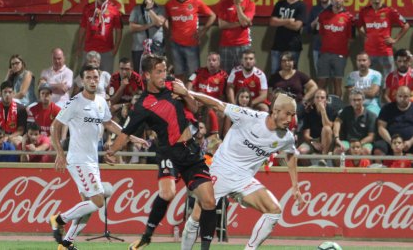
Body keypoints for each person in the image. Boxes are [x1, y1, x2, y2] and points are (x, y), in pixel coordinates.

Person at [106, 56, 217, 250]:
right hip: (169, 153)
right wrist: (111, 151)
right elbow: (125, 133)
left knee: (209, 201)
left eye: (164, 70)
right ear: (147, 75)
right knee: (167, 193)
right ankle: (147, 236)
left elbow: (195, 108)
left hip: (190, 150)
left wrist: (185, 93)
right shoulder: (142, 106)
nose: (163, 75)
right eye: (158, 71)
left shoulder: (173, 87)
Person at [181, 91, 304, 250]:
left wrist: (295, 186)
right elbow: (218, 104)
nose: (290, 120)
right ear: (275, 111)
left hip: (243, 179)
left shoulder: (286, 137)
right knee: (196, 217)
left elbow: (290, 155)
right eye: (287, 114)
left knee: (274, 211)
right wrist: (187, 92)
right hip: (220, 171)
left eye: (292, 115)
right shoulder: (249, 117)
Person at [49, 65, 147, 250]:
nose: (93, 80)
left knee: (89, 205)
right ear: (83, 81)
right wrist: (60, 154)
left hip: (92, 161)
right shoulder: (75, 102)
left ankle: (66, 243)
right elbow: (55, 126)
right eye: (89, 77)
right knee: (97, 201)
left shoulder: (101, 102)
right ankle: (59, 219)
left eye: (96, 77)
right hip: (78, 160)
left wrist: (131, 137)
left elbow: (109, 123)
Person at [165, 0, 216, 81]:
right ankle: (180, 96)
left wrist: (202, 31)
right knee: (178, 74)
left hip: (192, 45)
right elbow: (165, 19)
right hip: (175, 45)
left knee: (193, 75)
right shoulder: (169, 4)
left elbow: (213, 16)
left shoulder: (195, 2)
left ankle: (192, 97)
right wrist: (169, 32)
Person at [356, 0, 410, 78]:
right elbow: (358, 26)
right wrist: (364, 36)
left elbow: (406, 25)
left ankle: (387, 93)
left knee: (389, 79)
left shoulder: (390, 11)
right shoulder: (363, 11)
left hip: (385, 52)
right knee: (368, 78)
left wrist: (395, 39)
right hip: (369, 52)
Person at [77, 0, 122, 73]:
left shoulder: (114, 10)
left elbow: (119, 30)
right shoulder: (88, 8)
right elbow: (82, 28)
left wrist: (115, 48)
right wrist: (79, 46)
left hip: (106, 51)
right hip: (89, 50)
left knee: (105, 81)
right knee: (86, 78)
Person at [316, 0, 354, 98]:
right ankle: (319, 105)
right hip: (325, 53)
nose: (338, 0)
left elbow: (350, 39)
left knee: (337, 82)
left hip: (340, 55)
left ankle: (337, 108)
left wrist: (344, 53)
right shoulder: (323, 15)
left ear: (344, 0)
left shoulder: (349, 17)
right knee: (322, 81)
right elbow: (321, 34)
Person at [218, 0, 255, 73]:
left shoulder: (250, 4)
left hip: (243, 44)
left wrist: (238, 5)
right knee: (226, 74)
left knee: (243, 74)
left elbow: (245, 22)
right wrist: (241, 23)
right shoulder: (224, 4)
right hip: (226, 44)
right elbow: (221, 25)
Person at [269, 0, 306, 74]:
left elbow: (297, 26)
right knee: (275, 74)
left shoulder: (301, 6)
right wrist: (288, 21)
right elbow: (272, 22)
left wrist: (280, 22)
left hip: (293, 46)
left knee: (292, 74)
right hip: (277, 45)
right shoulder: (279, 4)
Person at [333, 89, 376, 166]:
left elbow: (371, 136)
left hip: (364, 142)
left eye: (359, 100)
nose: (356, 102)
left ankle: (367, 174)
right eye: (354, 100)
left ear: (363, 100)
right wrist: (336, 138)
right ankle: (339, 174)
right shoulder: (346, 110)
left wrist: (357, 145)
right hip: (348, 142)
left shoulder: (371, 115)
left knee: (366, 151)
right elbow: (337, 122)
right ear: (350, 101)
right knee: (337, 151)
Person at [129, 0, 166, 72]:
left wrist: (149, 9)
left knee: (157, 73)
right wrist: (150, 24)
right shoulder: (136, 9)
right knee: (139, 75)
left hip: (156, 48)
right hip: (139, 48)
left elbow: (159, 22)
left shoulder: (160, 9)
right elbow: (132, 28)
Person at [373, 86, 413, 166]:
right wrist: (392, 142)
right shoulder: (387, 108)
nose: (402, 99)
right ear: (396, 96)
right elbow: (381, 127)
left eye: (405, 96)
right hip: (389, 141)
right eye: (400, 96)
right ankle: (380, 172)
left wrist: (410, 142)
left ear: (410, 97)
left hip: (410, 142)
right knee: (379, 147)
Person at [297, 89, 336, 166]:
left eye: (322, 97)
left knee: (326, 129)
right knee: (300, 151)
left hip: (329, 142)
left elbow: (328, 126)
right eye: (317, 97)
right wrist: (313, 142)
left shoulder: (332, 110)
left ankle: (323, 158)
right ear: (314, 100)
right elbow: (306, 134)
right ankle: (310, 168)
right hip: (314, 141)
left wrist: (323, 111)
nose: (319, 100)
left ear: (326, 100)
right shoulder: (309, 111)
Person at [345, 51, 382, 116]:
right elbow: (351, 94)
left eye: (364, 60)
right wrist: (366, 91)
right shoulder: (351, 76)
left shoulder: (376, 75)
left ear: (369, 62)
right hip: (354, 104)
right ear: (356, 62)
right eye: (359, 60)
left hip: (371, 105)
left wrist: (356, 90)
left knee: (374, 116)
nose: (361, 63)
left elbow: (372, 94)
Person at [306, 0, 331, 75]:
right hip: (318, 47)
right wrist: (315, 22)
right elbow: (307, 30)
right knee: (320, 76)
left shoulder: (336, 8)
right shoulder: (314, 9)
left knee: (335, 78)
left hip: (333, 48)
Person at [0, 81, 27, 146]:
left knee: (20, 141)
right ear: (0, 93)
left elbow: (21, 130)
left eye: (10, 92)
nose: (7, 95)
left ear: (13, 93)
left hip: (13, 136)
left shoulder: (21, 108)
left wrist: (8, 137)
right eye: (5, 92)